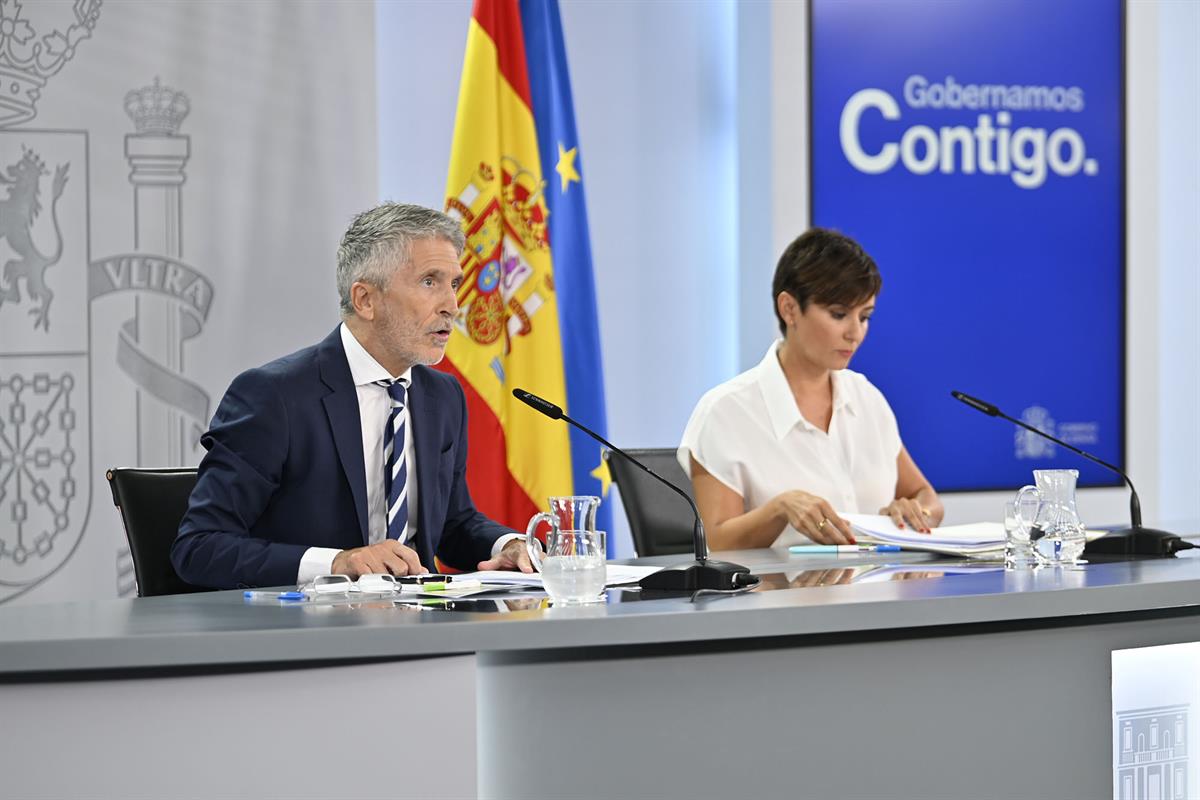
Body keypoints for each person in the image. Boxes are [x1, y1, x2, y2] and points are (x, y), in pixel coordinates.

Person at [172, 203, 532, 589]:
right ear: (365, 300)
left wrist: (505, 543)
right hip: (308, 633)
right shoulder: (274, 396)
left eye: (455, 283)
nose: (452, 306)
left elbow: (451, 523)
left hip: (423, 633)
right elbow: (199, 548)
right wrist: (338, 563)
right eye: (430, 281)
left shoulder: (441, 396)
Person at [677, 227, 943, 550]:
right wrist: (779, 509)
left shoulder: (866, 398)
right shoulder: (725, 411)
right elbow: (716, 544)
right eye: (839, 314)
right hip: (780, 597)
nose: (855, 333)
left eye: (865, 316)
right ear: (789, 308)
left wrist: (916, 512)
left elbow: (927, 498)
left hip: (877, 591)